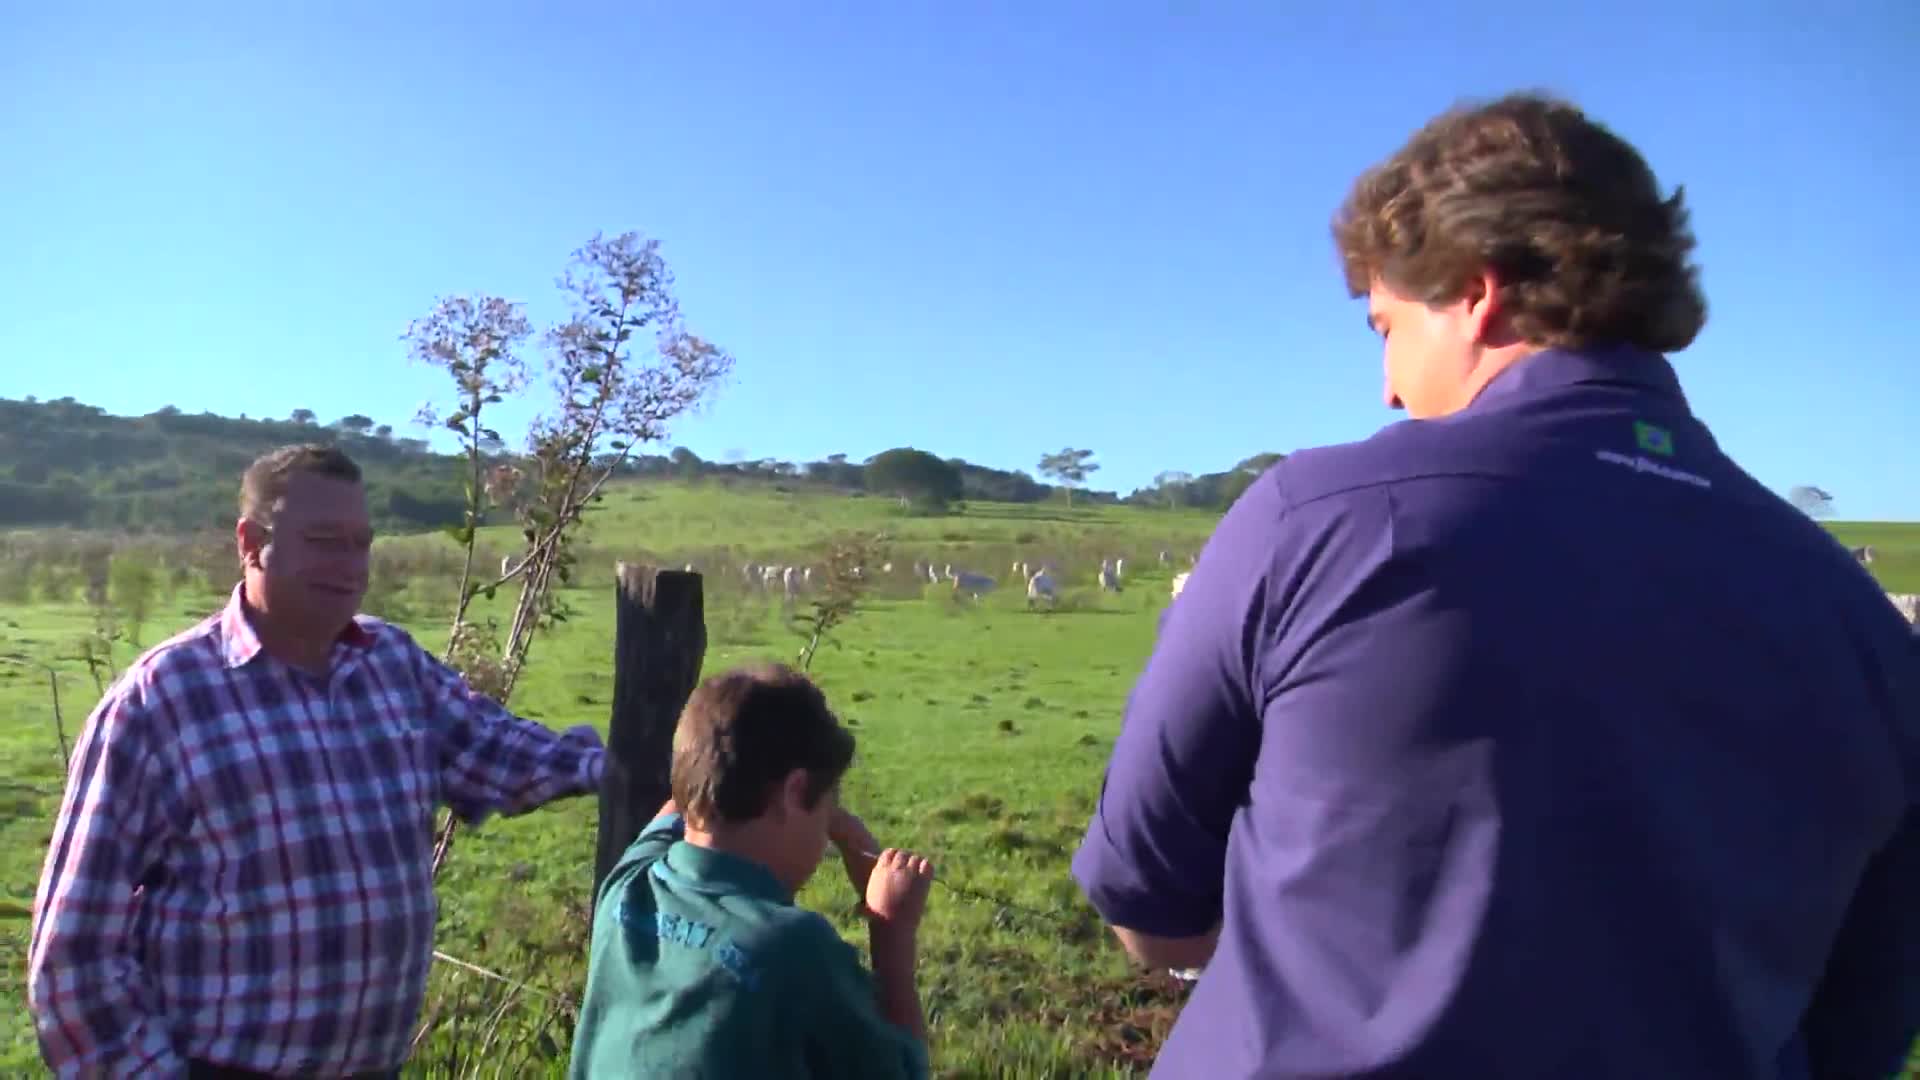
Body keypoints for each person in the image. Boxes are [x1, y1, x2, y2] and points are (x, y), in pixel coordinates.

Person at [1072, 92, 1919, 1079]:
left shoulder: (1320, 518)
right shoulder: (1863, 627)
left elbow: (1145, 897)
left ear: (1478, 293)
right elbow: (1859, 1024)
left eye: (1384, 325)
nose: (1387, 385)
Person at [27, 444, 608, 1079]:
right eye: (326, 540)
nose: (350, 565)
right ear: (251, 543)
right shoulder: (161, 701)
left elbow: (496, 750)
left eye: (361, 543)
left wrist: (625, 768)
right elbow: (72, 957)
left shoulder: (390, 664)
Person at [570, 663, 935, 1078]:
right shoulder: (795, 949)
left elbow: (676, 808)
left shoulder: (626, 885)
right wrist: (891, 934)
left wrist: (718, 757)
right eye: (827, 804)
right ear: (794, 792)